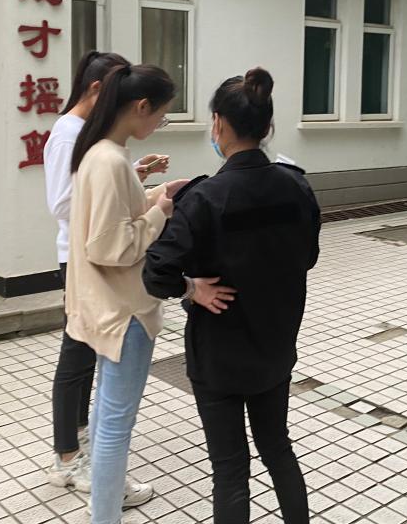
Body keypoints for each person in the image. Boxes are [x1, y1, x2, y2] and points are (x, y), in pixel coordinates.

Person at [143, 67, 320, 524]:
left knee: (230, 469)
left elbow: (156, 272)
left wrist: (192, 288)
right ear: (268, 127)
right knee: (277, 448)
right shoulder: (296, 186)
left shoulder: (204, 197)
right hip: (275, 346)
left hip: (219, 355)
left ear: (218, 124)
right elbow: (308, 256)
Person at [42, 51, 168, 499]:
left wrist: (133, 177)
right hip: (82, 259)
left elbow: (98, 195)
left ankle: (84, 453)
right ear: (98, 89)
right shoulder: (70, 135)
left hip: (94, 256)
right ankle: (68, 458)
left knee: (89, 359)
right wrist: (138, 202)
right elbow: (63, 202)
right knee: (77, 358)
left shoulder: (98, 143)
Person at [66, 62, 186, 524]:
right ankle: (105, 516)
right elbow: (110, 246)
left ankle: (104, 508)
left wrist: (154, 196)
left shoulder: (100, 151)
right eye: (162, 115)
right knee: (116, 423)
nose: (160, 123)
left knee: (105, 414)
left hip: (104, 306)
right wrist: (161, 213)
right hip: (125, 312)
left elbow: (111, 221)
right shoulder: (111, 160)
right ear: (141, 106)